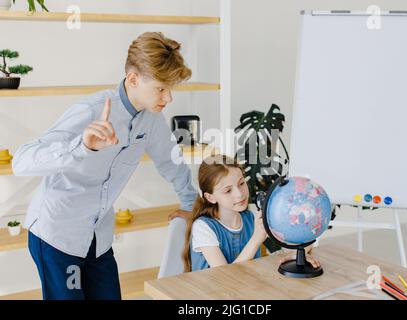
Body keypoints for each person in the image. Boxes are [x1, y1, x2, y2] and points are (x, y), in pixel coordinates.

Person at [12, 32, 197, 300]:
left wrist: (192, 206)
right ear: (133, 79)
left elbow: (171, 162)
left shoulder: (152, 119)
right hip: (57, 236)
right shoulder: (91, 110)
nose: (168, 98)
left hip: (98, 239)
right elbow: (22, 160)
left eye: (170, 89)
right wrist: (82, 147)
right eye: (161, 88)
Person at [183, 155, 266, 272]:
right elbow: (224, 275)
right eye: (228, 191)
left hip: (246, 287)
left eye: (241, 183)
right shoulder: (203, 227)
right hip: (212, 290)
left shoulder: (253, 214)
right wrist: (256, 239)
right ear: (210, 197)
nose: (239, 194)